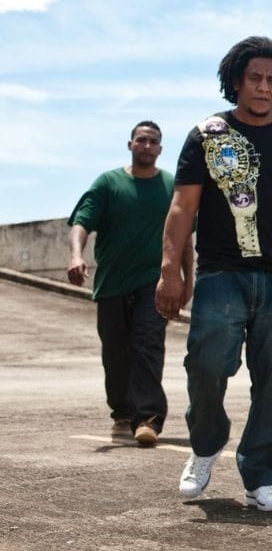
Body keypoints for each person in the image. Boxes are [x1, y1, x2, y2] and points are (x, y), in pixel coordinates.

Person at [156, 36, 272, 513]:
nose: (263, 87)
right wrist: (170, 270)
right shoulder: (208, 135)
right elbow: (181, 208)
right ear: (236, 80)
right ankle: (206, 444)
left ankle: (261, 474)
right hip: (220, 274)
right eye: (255, 77)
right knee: (206, 369)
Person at [67, 120, 192, 446]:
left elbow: (184, 239)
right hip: (112, 284)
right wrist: (76, 256)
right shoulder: (109, 183)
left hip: (154, 282)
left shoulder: (171, 186)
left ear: (160, 148)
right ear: (130, 144)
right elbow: (81, 223)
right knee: (115, 353)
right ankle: (122, 413)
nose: (147, 146)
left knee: (148, 344)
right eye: (141, 140)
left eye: (153, 141)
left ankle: (148, 418)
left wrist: (186, 280)